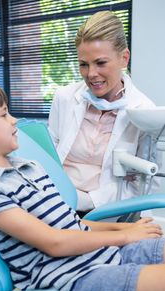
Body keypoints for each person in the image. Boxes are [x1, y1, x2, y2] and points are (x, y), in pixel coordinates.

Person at [0, 81, 165, 291]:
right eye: (3, 115)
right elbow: (55, 242)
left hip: (105, 256)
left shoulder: (29, 167)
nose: (14, 121)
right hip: (75, 282)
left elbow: (70, 223)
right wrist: (124, 237)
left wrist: (125, 230)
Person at [48, 11, 160, 215]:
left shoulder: (144, 112)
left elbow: (141, 185)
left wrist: (86, 201)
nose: (91, 74)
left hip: (106, 211)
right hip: (55, 201)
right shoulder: (64, 98)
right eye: (84, 64)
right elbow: (50, 157)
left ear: (124, 58)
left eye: (100, 63)